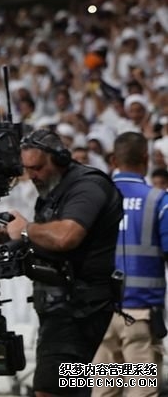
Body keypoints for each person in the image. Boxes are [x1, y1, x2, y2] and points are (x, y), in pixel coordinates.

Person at [0, 128, 123, 397]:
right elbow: (50, 241)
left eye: (38, 168)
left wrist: (26, 229)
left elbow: (66, 237)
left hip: (82, 310)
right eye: (28, 169)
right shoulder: (52, 190)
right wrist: (12, 237)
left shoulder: (88, 186)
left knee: (51, 390)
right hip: (64, 307)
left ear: (60, 159)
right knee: (79, 387)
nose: (32, 176)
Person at [92, 132, 168, 397]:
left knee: (103, 391)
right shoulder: (158, 201)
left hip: (99, 311)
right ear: (146, 159)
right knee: (141, 392)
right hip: (140, 313)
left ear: (113, 160)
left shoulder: (92, 200)